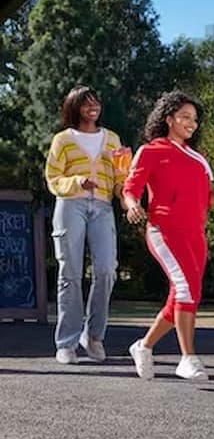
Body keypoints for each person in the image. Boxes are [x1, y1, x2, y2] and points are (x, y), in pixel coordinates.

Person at [122, 90, 214, 381]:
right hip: (164, 231)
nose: (191, 123)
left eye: (194, 119)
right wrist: (132, 205)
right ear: (169, 119)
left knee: (184, 296)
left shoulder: (197, 158)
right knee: (185, 291)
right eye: (185, 117)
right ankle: (188, 358)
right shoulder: (152, 150)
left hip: (195, 235)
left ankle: (143, 346)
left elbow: (205, 201)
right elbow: (130, 188)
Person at [44, 85, 127, 364]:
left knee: (106, 270)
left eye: (96, 102)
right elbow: (53, 179)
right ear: (75, 107)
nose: (93, 108)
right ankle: (66, 342)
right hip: (71, 206)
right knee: (70, 273)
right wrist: (77, 182)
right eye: (86, 103)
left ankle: (93, 336)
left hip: (103, 207)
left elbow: (121, 178)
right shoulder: (63, 140)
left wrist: (126, 194)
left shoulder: (112, 139)